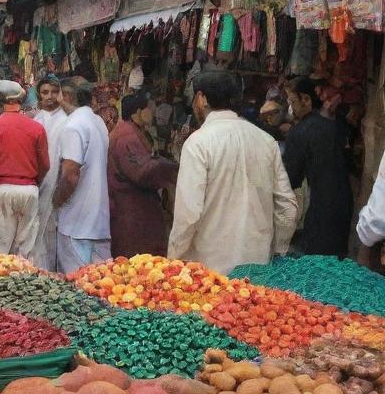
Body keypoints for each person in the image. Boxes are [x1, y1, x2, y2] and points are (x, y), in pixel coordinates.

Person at [168, 71, 297, 275]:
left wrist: (173, 260)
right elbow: (287, 207)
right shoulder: (265, 141)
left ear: (201, 98)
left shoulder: (198, 143)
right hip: (257, 270)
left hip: (210, 272)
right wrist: (277, 251)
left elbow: (188, 214)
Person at [283, 77, 353, 257]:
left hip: (321, 207)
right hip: (345, 203)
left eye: (292, 101)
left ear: (306, 99)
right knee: (337, 259)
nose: (291, 107)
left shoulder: (299, 133)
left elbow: (291, 179)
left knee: (316, 262)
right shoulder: (337, 123)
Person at [107, 91, 178, 259]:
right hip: (132, 213)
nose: (153, 112)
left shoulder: (129, 130)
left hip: (133, 210)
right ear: (138, 112)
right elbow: (141, 172)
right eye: (150, 108)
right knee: (136, 264)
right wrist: (172, 169)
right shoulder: (127, 136)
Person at [0, 80, 49, 259]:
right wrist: (35, 181)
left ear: (1, 101)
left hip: (2, 189)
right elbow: (45, 165)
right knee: (26, 248)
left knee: (0, 247)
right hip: (29, 188)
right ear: (21, 101)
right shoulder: (36, 127)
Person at [53, 82, 111, 273]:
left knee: (77, 288)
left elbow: (70, 175)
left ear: (67, 96)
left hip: (76, 225)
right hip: (98, 223)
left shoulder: (73, 126)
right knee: (100, 286)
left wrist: (56, 200)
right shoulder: (98, 122)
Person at [32, 75, 68, 271]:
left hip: (59, 183)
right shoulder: (36, 120)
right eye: (45, 92)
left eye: (54, 92)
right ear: (39, 94)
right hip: (38, 183)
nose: (50, 97)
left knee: (54, 229)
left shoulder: (66, 120)